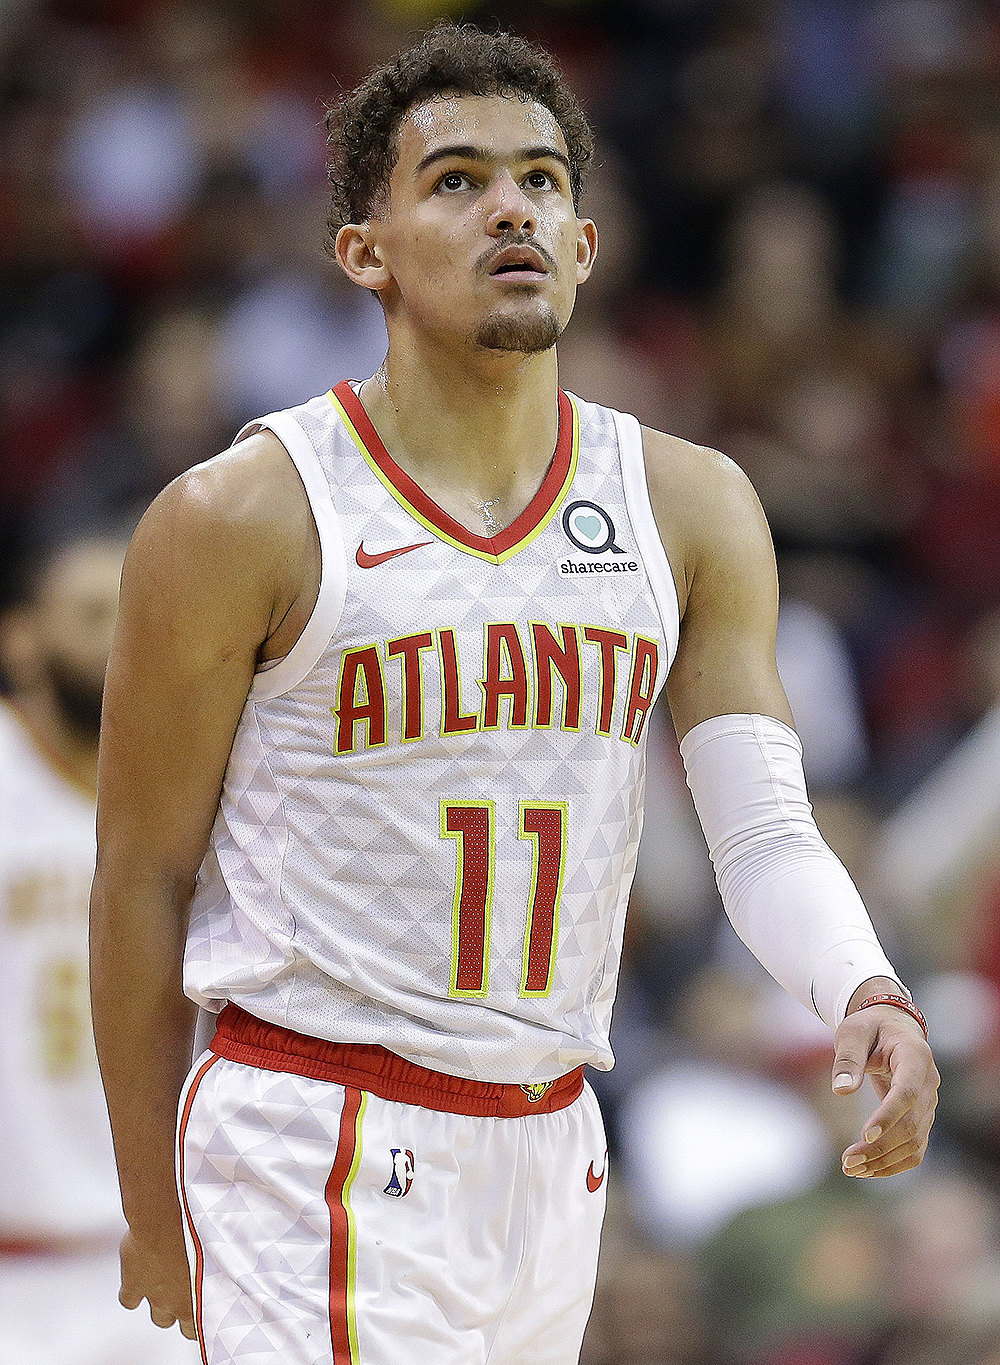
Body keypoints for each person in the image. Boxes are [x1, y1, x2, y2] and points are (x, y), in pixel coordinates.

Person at [90, 24, 940, 1365]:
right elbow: (141, 874)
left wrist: (866, 987)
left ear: (587, 246)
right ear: (363, 252)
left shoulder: (692, 504)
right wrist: (144, 1204)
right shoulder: (243, 514)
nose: (511, 208)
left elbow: (764, 832)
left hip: (553, 1139)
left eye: (541, 180)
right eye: (456, 182)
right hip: (315, 1123)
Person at [0, 534, 198, 1365]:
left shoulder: (198, 782)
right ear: (22, 637)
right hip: (16, 1258)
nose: (117, 638)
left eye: (128, 615)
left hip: (160, 1258)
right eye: (90, 614)